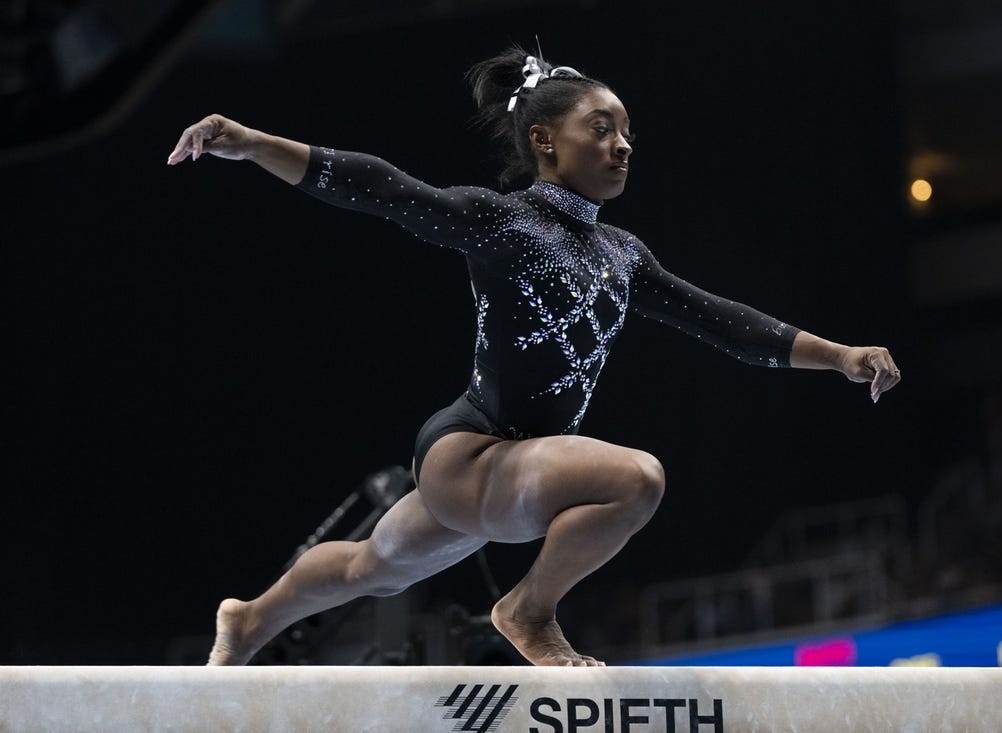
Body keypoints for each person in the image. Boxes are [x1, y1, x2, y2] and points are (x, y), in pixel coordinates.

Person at [166, 45, 901, 667]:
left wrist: (839, 356)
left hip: (519, 469)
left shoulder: (624, 254)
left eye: (628, 134)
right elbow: (383, 188)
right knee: (635, 479)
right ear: (546, 140)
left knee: (373, 568)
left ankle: (250, 616)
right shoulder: (504, 222)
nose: (623, 145)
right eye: (602, 128)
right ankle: (528, 610)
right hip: (473, 450)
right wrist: (257, 143)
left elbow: (723, 320)